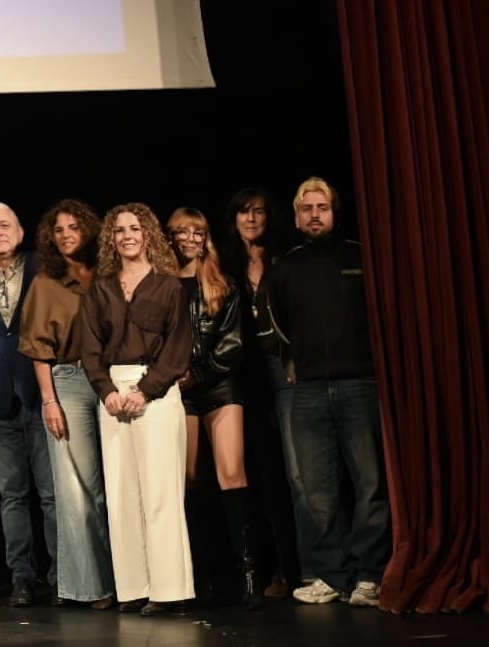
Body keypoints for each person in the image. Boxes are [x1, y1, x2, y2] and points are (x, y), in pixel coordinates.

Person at [269, 178, 389, 608]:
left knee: (370, 483)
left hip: (360, 384)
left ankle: (369, 575)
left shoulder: (360, 256)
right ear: (297, 215)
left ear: (335, 212)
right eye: (307, 208)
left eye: (322, 207)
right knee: (316, 491)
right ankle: (330, 576)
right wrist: (294, 360)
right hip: (309, 391)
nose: (315, 214)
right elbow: (279, 322)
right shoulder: (285, 267)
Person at [81, 203, 195, 616]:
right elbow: (90, 349)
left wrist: (144, 391)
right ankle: (134, 587)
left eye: (134, 228)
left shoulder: (169, 287)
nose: (127, 236)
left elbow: (178, 348)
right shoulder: (101, 289)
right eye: (119, 230)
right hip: (112, 393)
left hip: (156, 392)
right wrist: (108, 391)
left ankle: (170, 590)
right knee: (122, 493)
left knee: (160, 491)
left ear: (147, 235)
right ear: (111, 239)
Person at [17, 199, 114, 609]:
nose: (67, 235)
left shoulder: (108, 274)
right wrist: (49, 402)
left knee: (117, 487)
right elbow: (39, 349)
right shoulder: (45, 283)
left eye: (74, 227)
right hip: (68, 383)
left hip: (113, 380)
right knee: (78, 490)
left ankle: (130, 580)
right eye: (59, 230)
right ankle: (92, 586)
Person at [167, 207, 261, 610]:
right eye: (182, 232)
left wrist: (200, 371)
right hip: (178, 389)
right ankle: (201, 577)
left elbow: (234, 342)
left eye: (198, 232)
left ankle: (249, 578)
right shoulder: (162, 286)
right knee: (187, 481)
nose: (190, 239)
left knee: (231, 474)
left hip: (218, 383)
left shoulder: (222, 283)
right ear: (169, 237)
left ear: (207, 238)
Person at [0, 203, 55, 607]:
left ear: (20, 231)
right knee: (11, 495)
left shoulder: (44, 269)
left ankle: (60, 574)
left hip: (40, 396)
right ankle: (22, 577)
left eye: (4, 225)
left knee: (51, 493)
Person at [219, 187, 307, 595]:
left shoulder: (285, 259)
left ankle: (300, 569)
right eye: (243, 212)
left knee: (296, 473)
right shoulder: (224, 264)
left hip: (284, 369)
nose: (251, 219)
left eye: (258, 212)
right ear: (234, 219)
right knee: (260, 476)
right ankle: (271, 571)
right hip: (244, 376)